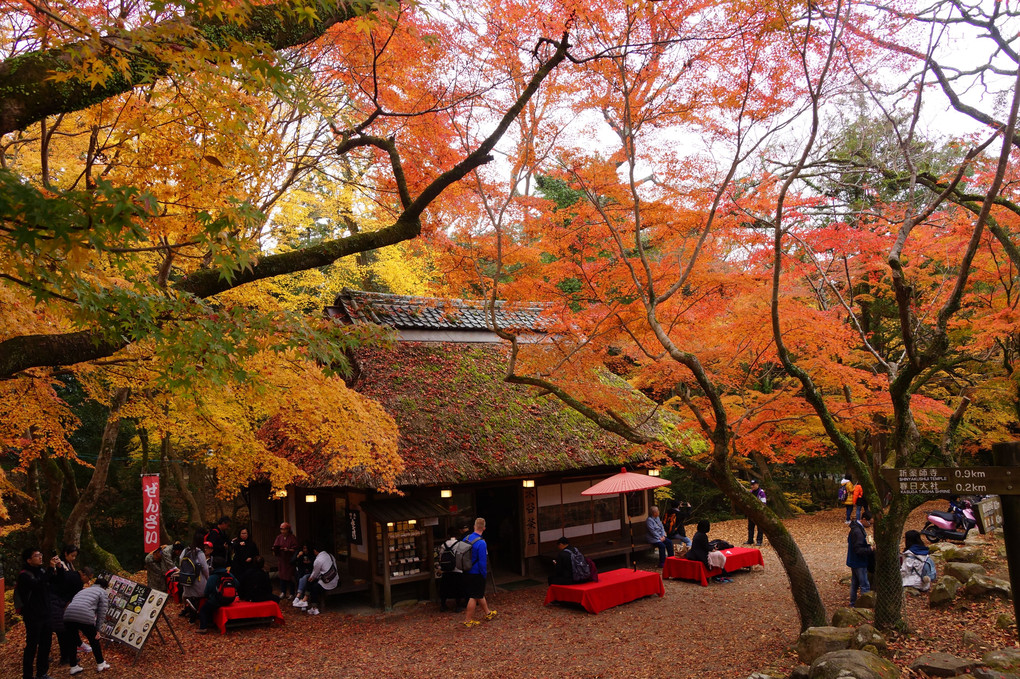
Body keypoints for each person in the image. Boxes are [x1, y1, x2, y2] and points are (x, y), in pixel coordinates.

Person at [18, 547, 58, 679]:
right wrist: (50, 570)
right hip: (33, 616)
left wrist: (57, 568)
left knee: (46, 645)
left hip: (46, 613)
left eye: (40, 554)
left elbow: (52, 583)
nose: (40, 557)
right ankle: (28, 675)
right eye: (36, 555)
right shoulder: (24, 575)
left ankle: (42, 673)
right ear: (29, 560)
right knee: (32, 646)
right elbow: (38, 585)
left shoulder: (41, 570)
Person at [64, 572, 111, 674]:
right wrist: (97, 630)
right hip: (84, 615)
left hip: (68, 615)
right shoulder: (102, 592)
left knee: (72, 642)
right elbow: (102, 612)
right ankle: (100, 664)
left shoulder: (83, 590)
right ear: (104, 587)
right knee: (94, 640)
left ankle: (73, 666)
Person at [52, 543, 85, 667]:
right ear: (65, 553)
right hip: (61, 601)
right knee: (63, 631)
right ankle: (65, 656)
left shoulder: (70, 564)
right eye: (72, 555)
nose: (74, 558)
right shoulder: (60, 566)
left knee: (67, 630)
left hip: (67, 600)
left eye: (75, 556)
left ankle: (68, 654)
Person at [462, 517, 496, 628]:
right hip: (476, 572)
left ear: (474, 527)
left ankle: (488, 613)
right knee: (474, 596)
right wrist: (484, 574)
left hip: (466, 569)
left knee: (478, 593)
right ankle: (468, 620)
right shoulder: (481, 543)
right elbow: (483, 561)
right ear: (484, 528)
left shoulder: (466, 538)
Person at [292, 542, 339, 615]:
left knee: (312, 584)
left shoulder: (318, 560)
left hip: (327, 582)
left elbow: (314, 575)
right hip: (335, 579)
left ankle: (309, 603)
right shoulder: (330, 555)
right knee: (312, 582)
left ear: (315, 551)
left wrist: (310, 579)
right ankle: (308, 602)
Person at [198, 556, 236, 633]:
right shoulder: (229, 575)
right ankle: (211, 622)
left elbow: (206, 592)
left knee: (203, 610)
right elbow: (237, 584)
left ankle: (203, 627)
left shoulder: (212, 577)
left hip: (216, 601)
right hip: (230, 599)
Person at [180, 539, 211, 623]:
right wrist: (208, 578)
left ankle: (191, 616)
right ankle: (197, 615)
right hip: (198, 578)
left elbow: (180, 561)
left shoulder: (186, 550)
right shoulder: (199, 553)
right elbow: (205, 567)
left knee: (189, 597)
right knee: (199, 597)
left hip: (186, 577)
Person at [847, 510, 874, 606]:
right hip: (859, 561)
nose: (870, 525)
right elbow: (858, 549)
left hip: (854, 561)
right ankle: (864, 605)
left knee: (855, 583)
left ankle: (853, 603)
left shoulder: (855, 529)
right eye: (869, 522)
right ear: (864, 519)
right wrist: (870, 549)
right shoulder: (858, 532)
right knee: (864, 584)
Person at [436, 526, 465, 612]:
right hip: (457, 569)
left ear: (448, 535)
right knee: (458, 588)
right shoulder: (459, 544)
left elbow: (440, 557)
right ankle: (458, 605)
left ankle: (443, 605)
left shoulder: (443, 545)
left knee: (445, 588)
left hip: (446, 569)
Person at [272, 521, 299, 599]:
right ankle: (283, 592)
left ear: (288, 529)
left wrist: (289, 550)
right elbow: (275, 546)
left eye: (284, 529)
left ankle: (291, 593)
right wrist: (276, 549)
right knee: (281, 576)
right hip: (282, 559)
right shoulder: (279, 537)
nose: (283, 531)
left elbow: (296, 549)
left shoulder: (292, 537)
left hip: (289, 560)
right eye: (281, 529)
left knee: (290, 577)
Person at [745, 479, 767, 547]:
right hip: (751, 513)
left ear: (757, 484)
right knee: (750, 527)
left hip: (759, 513)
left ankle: (759, 541)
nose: (752, 486)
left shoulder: (761, 492)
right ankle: (750, 540)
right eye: (751, 485)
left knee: (760, 528)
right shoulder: (751, 492)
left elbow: (764, 503)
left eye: (754, 485)